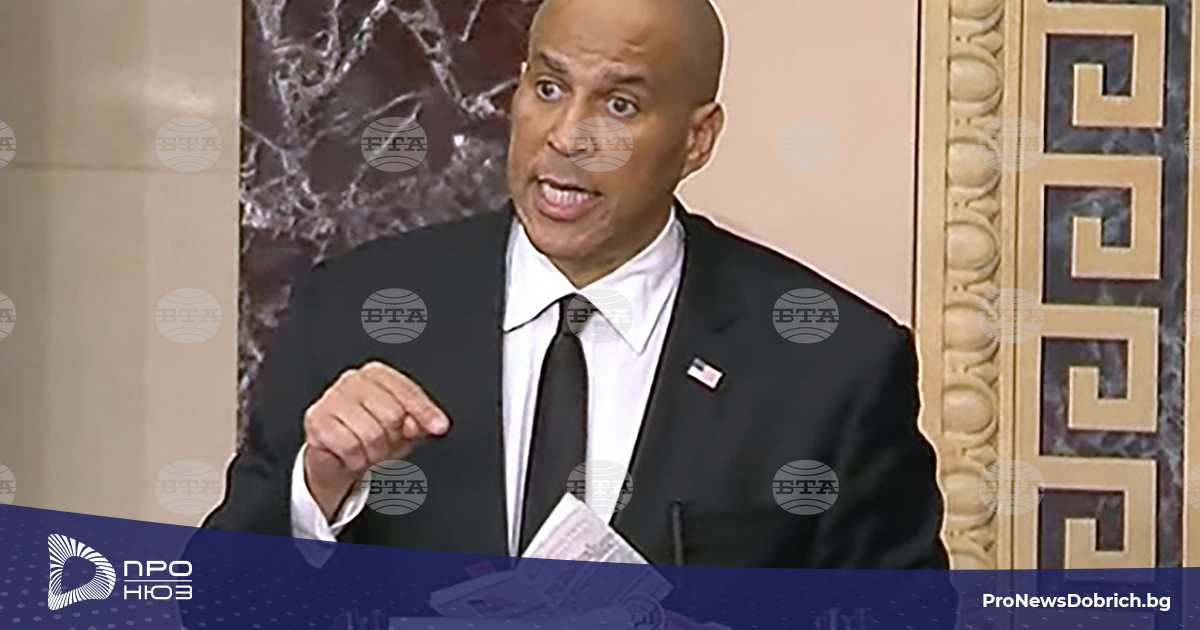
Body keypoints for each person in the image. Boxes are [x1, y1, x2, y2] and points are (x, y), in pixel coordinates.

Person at [204, 0, 948, 569]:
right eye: (549, 87)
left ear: (696, 139)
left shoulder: (830, 366)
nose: (567, 135)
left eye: (619, 104)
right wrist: (319, 490)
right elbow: (217, 599)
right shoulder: (356, 308)